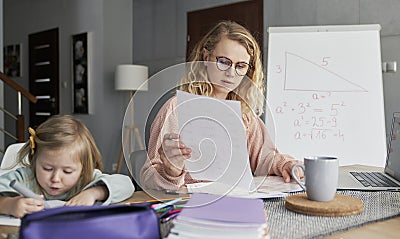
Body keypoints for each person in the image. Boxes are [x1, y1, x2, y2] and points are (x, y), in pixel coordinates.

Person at [141, 20, 303, 191]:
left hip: (235, 201)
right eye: (224, 62)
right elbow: (148, 178)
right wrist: (170, 171)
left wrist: (285, 164)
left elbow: (266, 159)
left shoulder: (245, 115)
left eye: (240, 66)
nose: (231, 73)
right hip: (188, 203)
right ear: (205, 57)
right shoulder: (175, 109)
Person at [0, 115, 135, 218]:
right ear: (34, 161)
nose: (56, 178)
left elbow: (127, 185)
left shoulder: (87, 179)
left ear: (83, 168)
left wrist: (95, 192)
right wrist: (8, 205)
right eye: (47, 168)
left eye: (67, 171)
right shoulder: (24, 178)